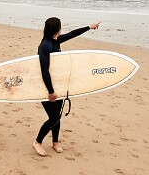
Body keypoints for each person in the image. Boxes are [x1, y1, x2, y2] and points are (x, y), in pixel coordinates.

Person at [33, 17, 100, 156]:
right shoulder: (45, 45)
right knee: (53, 118)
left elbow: (72, 34)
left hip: (59, 84)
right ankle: (37, 142)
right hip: (46, 86)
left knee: (57, 116)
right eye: (60, 26)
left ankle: (55, 142)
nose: (61, 29)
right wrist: (51, 91)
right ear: (57, 28)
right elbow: (44, 70)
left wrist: (89, 27)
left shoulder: (55, 40)